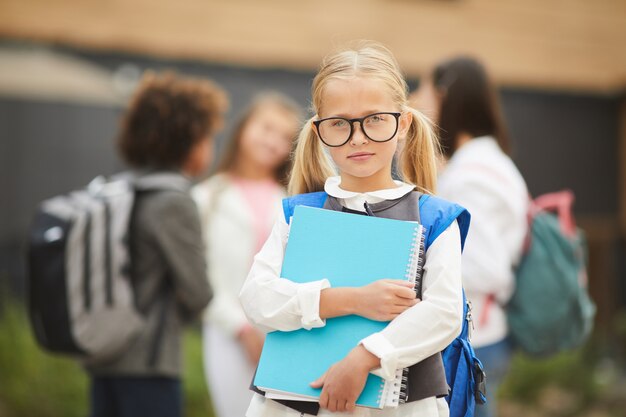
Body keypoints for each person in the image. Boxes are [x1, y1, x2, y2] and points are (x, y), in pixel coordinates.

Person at [239, 41, 469, 417]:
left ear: (403, 122)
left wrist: (364, 359)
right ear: (320, 130)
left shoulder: (435, 218)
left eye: (375, 119)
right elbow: (257, 298)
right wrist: (351, 300)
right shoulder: (298, 213)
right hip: (292, 403)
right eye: (339, 123)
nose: (358, 137)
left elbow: (443, 314)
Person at [87, 72, 228, 417]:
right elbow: (199, 293)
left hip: (104, 357)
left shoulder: (120, 188)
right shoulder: (174, 201)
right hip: (150, 364)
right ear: (189, 140)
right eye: (208, 136)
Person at [412, 57, 529, 417]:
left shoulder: (471, 173)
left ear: (445, 95)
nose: (415, 100)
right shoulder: (487, 160)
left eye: (424, 89)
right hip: (482, 333)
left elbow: (489, 268)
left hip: (472, 338)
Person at [192, 92, 302, 417]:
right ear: (243, 128)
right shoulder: (206, 197)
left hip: (282, 333)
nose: (273, 141)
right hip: (226, 331)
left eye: (284, 137)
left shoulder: (293, 200)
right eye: (266, 128)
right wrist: (240, 329)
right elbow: (199, 276)